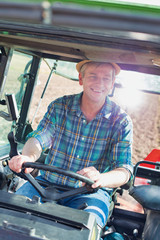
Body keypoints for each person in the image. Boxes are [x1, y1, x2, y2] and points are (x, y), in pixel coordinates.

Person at [9, 60, 133, 231]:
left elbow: (124, 170)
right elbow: (40, 137)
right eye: (93, 76)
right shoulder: (60, 107)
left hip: (90, 193)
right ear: (81, 78)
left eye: (106, 79)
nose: (100, 83)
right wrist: (28, 157)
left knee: (87, 228)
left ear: (112, 84)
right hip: (44, 184)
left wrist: (101, 178)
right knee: (10, 215)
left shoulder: (120, 121)